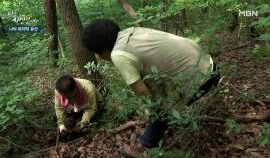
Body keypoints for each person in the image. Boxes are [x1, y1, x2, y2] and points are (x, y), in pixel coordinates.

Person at [82, 19, 220, 156]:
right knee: (161, 99)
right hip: (210, 64)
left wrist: (152, 111)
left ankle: (146, 145)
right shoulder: (131, 32)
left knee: (161, 107)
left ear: (101, 51)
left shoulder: (118, 54)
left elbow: (142, 92)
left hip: (202, 78)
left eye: (97, 53)